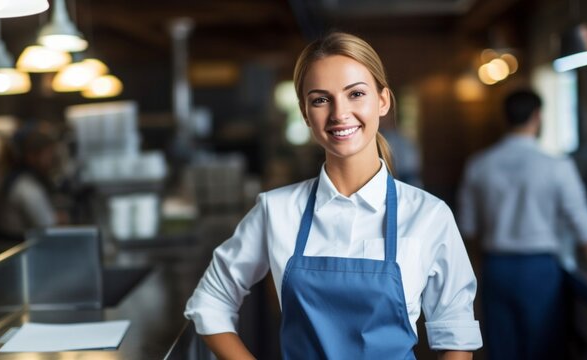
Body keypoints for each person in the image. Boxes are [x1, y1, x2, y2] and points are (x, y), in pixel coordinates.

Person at [185, 32, 482, 359]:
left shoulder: (429, 215)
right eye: (320, 99)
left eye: (356, 94)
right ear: (305, 112)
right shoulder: (277, 210)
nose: (340, 113)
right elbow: (210, 302)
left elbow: (456, 334)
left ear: (383, 100)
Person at [457, 89, 587, 360]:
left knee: (501, 350)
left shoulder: (479, 165)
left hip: (496, 268)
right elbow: (585, 226)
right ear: (537, 116)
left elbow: (468, 229)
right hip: (541, 270)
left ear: (505, 118)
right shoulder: (556, 166)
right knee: (542, 350)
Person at [0, 121, 65, 249]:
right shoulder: (26, 187)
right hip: (14, 254)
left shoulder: (12, 177)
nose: (52, 159)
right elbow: (47, 226)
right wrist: (61, 219)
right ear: (32, 156)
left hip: (3, 250)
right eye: (48, 153)